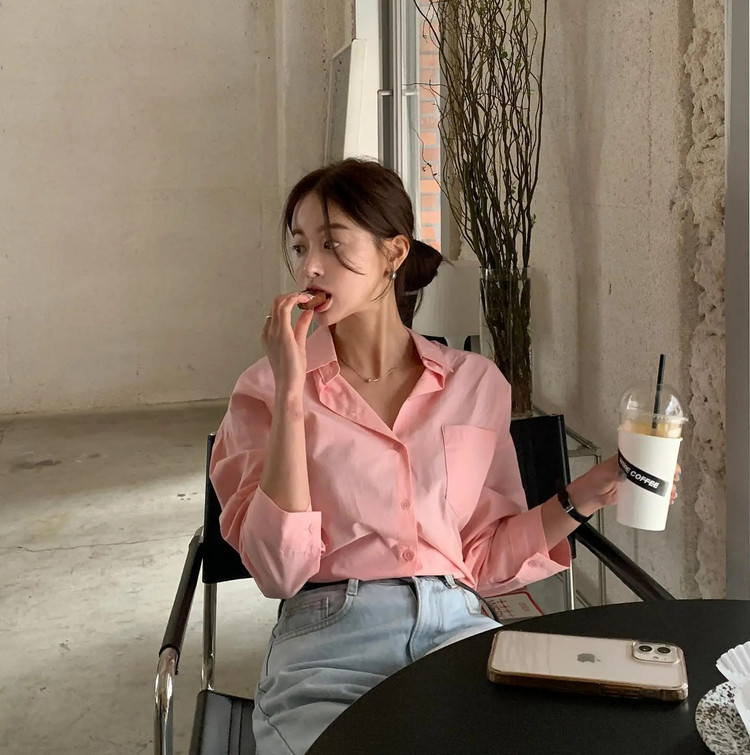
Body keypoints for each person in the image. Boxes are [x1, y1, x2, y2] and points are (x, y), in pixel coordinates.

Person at [209, 158, 623, 754]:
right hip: (328, 646)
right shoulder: (263, 389)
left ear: (394, 253)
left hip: (459, 633)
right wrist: (292, 393)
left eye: (332, 242)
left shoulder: (474, 384)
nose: (309, 266)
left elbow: (480, 554)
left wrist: (586, 496)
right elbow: (279, 572)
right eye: (300, 247)